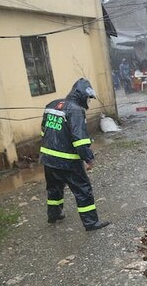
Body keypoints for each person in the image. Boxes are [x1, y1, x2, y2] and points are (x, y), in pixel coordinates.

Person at [39, 78, 110, 231]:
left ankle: (53, 214)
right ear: (82, 96)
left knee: (54, 187)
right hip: (68, 161)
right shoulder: (76, 110)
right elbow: (80, 140)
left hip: (48, 158)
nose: (88, 102)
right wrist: (89, 158)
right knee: (83, 189)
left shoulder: (52, 105)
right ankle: (91, 222)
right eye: (88, 98)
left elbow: (43, 131)